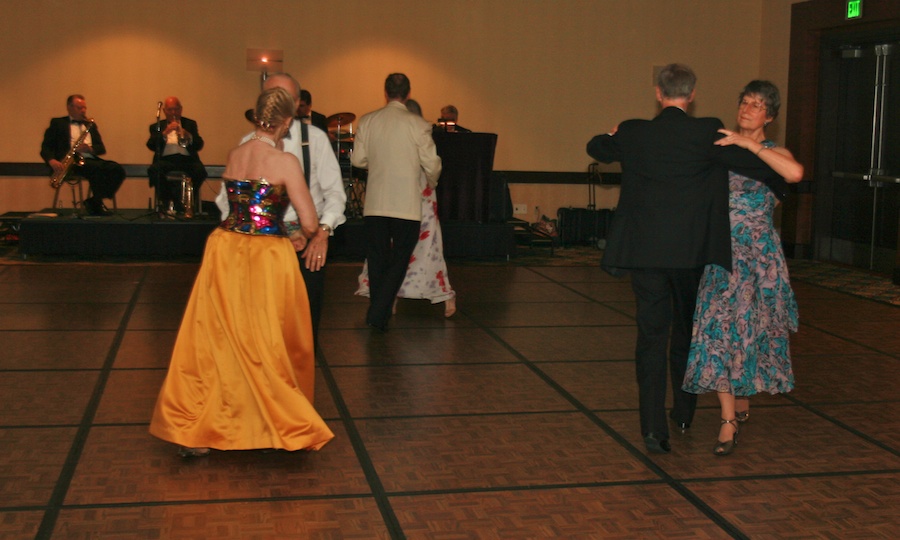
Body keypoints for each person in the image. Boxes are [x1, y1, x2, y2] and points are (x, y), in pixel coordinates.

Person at [585, 63, 779, 455]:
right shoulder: (707, 130)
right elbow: (752, 166)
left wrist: (613, 133)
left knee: (651, 337)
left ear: (658, 92)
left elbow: (596, 148)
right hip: (692, 255)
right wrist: (755, 148)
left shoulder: (635, 131)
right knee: (688, 332)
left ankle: (654, 429)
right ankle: (685, 411)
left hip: (646, 254)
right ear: (691, 96)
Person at [150, 87, 334, 457]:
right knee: (265, 340)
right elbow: (312, 222)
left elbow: (236, 206)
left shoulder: (236, 155)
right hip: (266, 256)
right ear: (285, 122)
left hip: (226, 248)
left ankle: (207, 422)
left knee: (219, 337)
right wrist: (303, 233)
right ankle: (273, 422)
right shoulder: (285, 163)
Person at [683, 80, 803, 456]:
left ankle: (741, 393)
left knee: (751, 330)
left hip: (760, 257)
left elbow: (794, 174)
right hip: (721, 254)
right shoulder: (721, 147)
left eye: (757, 105)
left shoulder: (772, 152)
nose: (748, 109)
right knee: (718, 329)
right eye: (744, 102)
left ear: (770, 116)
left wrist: (750, 145)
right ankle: (727, 419)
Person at [216, 73, 346, 344]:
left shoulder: (316, 139)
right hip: (259, 252)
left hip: (308, 247)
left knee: (301, 334)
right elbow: (224, 202)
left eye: (282, 97)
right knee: (254, 333)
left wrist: (322, 233)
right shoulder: (246, 144)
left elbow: (335, 193)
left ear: (297, 104)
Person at [351, 73, 442, 331]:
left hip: (376, 203)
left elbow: (358, 161)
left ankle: (378, 313)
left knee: (378, 258)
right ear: (408, 93)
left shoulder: (368, 121)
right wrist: (432, 182)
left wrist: (378, 165)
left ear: (385, 92)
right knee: (400, 259)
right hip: (406, 204)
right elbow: (432, 163)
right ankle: (378, 312)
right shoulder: (418, 124)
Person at [40, 94, 126, 216]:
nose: (83, 110)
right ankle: (96, 204)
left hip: (89, 159)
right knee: (96, 170)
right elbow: (46, 147)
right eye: (79, 108)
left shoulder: (90, 125)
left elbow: (101, 148)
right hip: (70, 163)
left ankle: (94, 201)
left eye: (84, 107)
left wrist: (89, 149)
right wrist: (52, 160)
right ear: (69, 107)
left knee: (118, 169)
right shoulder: (58, 123)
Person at [146, 96, 207, 214]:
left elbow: (199, 145)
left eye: (176, 109)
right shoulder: (157, 126)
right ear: (164, 111)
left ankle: (189, 203)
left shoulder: (190, 124)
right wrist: (165, 133)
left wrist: (188, 135)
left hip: (187, 160)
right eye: (170, 110)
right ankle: (167, 201)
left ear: (181, 109)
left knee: (200, 171)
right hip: (166, 160)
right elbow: (151, 145)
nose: (173, 112)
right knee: (155, 171)